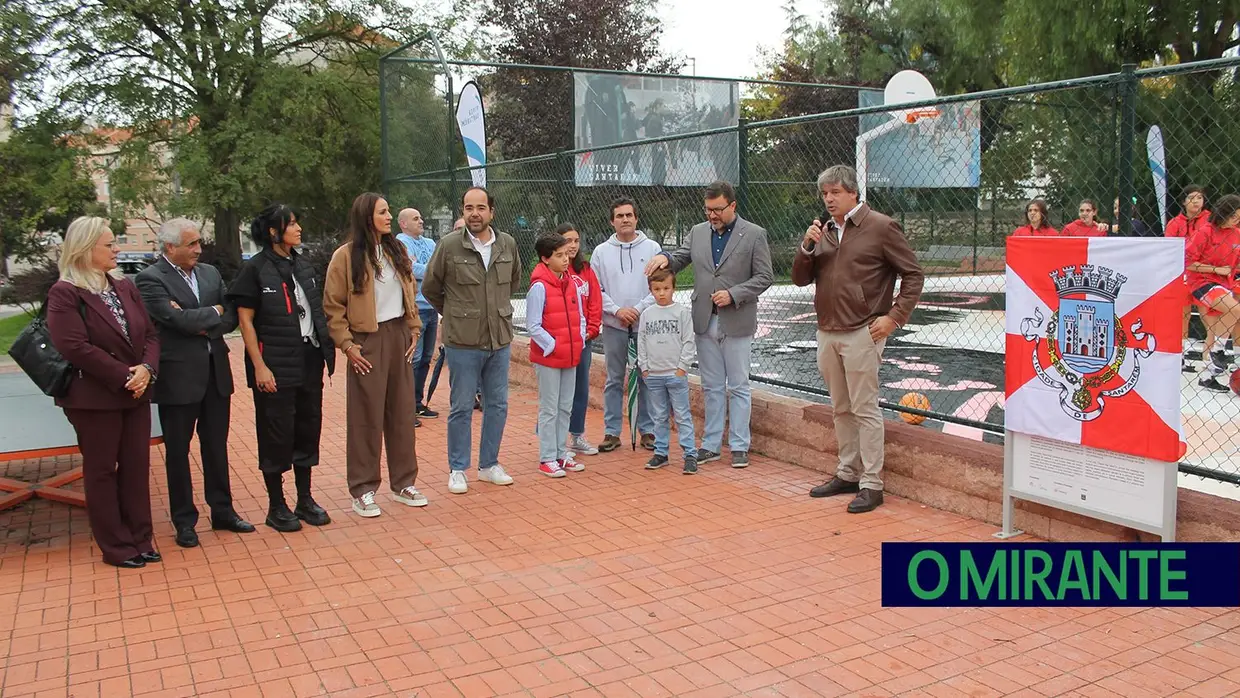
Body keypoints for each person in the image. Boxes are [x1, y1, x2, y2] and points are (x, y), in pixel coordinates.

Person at [793, 165, 924, 514]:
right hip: (827, 331)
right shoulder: (824, 233)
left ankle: (872, 484)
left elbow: (913, 274)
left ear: (853, 192)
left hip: (863, 331)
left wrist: (894, 318)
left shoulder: (881, 227)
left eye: (835, 192)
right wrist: (807, 246)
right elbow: (799, 279)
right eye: (824, 194)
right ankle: (847, 472)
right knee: (840, 408)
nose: (829, 199)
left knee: (865, 409)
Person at [47, 216, 161, 568]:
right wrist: (124, 375)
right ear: (85, 249)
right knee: (101, 471)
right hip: (95, 398)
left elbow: (151, 335)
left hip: (135, 392)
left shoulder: (124, 286)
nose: (117, 249)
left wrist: (147, 370)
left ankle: (141, 538)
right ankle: (116, 546)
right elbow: (74, 346)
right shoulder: (65, 292)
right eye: (110, 244)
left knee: (136, 467)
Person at [136, 218, 252, 549]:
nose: (199, 249)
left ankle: (223, 512)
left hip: (216, 375)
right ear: (169, 247)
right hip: (178, 380)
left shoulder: (210, 274)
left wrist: (202, 318)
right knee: (178, 452)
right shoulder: (149, 279)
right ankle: (184, 521)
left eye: (199, 242)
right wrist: (204, 315)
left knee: (216, 448)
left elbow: (228, 315)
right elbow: (173, 320)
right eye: (191, 244)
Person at [645, 180, 773, 467]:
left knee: (739, 385)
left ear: (732, 206)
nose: (712, 215)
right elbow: (679, 257)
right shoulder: (698, 232)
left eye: (717, 210)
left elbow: (765, 277)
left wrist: (734, 294)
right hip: (703, 320)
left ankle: (740, 446)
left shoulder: (753, 234)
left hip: (737, 320)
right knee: (712, 386)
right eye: (708, 210)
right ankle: (712, 444)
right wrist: (663, 257)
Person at [228, 204, 335, 532]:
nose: (298, 228)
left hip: (308, 357)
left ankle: (305, 499)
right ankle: (277, 505)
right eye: (291, 224)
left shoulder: (301, 265)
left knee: (307, 426)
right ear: (274, 232)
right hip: (274, 363)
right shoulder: (256, 269)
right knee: (276, 431)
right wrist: (259, 366)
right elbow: (244, 320)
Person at [323, 193, 425, 518]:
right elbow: (333, 306)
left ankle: (403, 483)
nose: (389, 216)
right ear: (367, 216)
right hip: (367, 341)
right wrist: (348, 346)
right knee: (366, 417)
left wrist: (414, 328)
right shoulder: (345, 256)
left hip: (398, 337)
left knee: (402, 413)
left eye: (389, 211)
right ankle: (363, 489)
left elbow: (409, 291)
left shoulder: (396, 251)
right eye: (383, 212)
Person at [422, 187, 523, 494]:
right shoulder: (449, 245)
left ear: (491, 212)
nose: (474, 213)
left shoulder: (507, 244)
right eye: (468, 208)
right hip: (462, 343)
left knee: (498, 405)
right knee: (461, 406)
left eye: (480, 208)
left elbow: (514, 280)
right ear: (463, 212)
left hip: (499, 339)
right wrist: (455, 314)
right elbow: (431, 287)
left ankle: (489, 465)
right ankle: (457, 469)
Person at [592, 197, 661, 452]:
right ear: (612, 221)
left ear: (636, 218)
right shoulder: (600, 252)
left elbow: (660, 284)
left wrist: (638, 309)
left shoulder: (652, 248)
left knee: (645, 377)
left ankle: (648, 430)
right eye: (619, 216)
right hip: (613, 325)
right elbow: (595, 289)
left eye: (629, 215)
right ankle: (612, 432)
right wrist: (617, 310)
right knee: (614, 378)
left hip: (644, 325)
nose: (625, 220)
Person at [526, 231, 586, 477]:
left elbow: (580, 315)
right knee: (549, 408)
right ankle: (547, 457)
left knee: (565, 407)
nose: (565, 259)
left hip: (571, 355)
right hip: (550, 357)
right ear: (545, 259)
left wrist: (579, 339)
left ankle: (562, 454)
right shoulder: (539, 286)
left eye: (566, 255)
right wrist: (551, 345)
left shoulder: (571, 282)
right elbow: (533, 324)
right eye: (559, 255)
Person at [637, 268, 698, 474]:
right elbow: (642, 341)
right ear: (650, 290)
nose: (661, 293)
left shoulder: (681, 312)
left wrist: (682, 368)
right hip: (653, 375)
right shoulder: (647, 314)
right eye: (656, 289)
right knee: (659, 415)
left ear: (673, 288)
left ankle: (690, 454)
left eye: (666, 288)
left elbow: (689, 341)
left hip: (675, 374)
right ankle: (661, 452)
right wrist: (644, 367)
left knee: (682, 415)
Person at [1184, 194, 1240, 393]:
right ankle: (1219, 351)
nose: (1237, 220)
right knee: (1235, 309)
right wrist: (1215, 270)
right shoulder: (1205, 232)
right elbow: (1189, 263)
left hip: (1226, 285)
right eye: (1234, 216)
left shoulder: (1236, 234)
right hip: (1202, 282)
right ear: (1224, 214)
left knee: (1216, 329)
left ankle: (1208, 377)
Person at [561, 223, 603, 456]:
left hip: (583, 340)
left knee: (580, 389)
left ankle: (577, 436)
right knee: (558, 391)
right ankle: (553, 440)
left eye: (576, 240)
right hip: (561, 342)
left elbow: (595, 301)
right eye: (567, 240)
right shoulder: (552, 270)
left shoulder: (585, 270)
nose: (573, 245)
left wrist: (592, 329)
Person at [396, 207, 439, 424]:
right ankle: (405, 408)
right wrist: (427, 269)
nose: (421, 221)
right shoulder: (400, 243)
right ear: (403, 223)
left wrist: (426, 269)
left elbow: (439, 269)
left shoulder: (431, 244)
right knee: (414, 358)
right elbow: (411, 270)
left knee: (426, 359)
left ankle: (417, 403)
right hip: (415, 310)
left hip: (432, 309)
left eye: (420, 217)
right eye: (415, 218)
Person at [1167, 185, 1211, 370]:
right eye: (1191, 198)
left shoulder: (1210, 220)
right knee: (1182, 316)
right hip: (1181, 273)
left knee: (1209, 316)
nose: (1195, 201)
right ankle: (1181, 356)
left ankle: (1212, 360)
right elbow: (1168, 249)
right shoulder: (1175, 223)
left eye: (1199, 197)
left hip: (1205, 274)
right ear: (1184, 201)